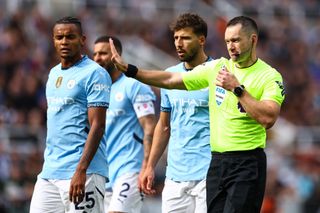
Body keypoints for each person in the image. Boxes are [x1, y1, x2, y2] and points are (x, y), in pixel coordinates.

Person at [109, 16, 286, 213]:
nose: (231, 46)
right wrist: (131, 70)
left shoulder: (269, 76)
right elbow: (170, 79)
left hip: (247, 162)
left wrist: (237, 89)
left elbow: (268, 118)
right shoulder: (218, 68)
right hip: (217, 163)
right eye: (227, 41)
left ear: (253, 40)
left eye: (236, 40)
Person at [30, 16, 112, 212]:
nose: (64, 42)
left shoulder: (95, 73)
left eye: (70, 37)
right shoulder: (53, 74)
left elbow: (98, 125)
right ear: (53, 40)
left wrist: (81, 170)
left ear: (82, 40)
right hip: (50, 172)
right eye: (59, 37)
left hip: (84, 172)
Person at [140, 13, 211, 212]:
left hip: (208, 173)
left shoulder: (216, 74)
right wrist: (150, 166)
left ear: (201, 40)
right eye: (176, 38)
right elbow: (164, 126)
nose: (179, 43)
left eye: (185, 38)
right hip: (175, 175)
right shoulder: (170, 75)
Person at [93, 35, 157, 213]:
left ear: (117, 55)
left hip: (130, 169)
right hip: (103, 174)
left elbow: (150, 126)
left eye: (104, 53)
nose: (98, 58)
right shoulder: (96, 92)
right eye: (95, 54)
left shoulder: (134, 85)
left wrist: (146, 166)